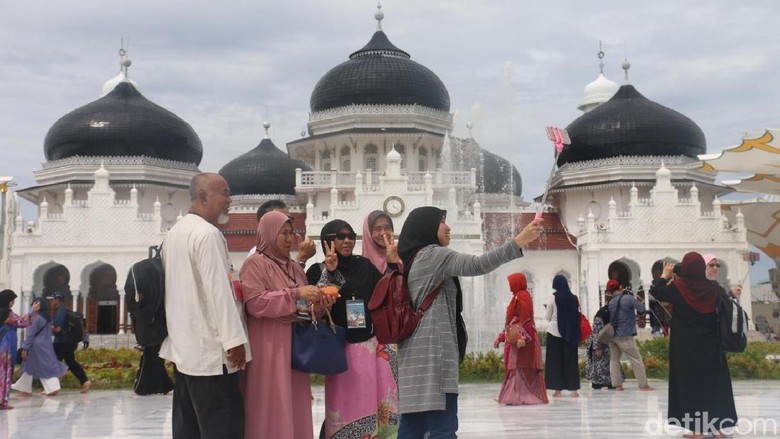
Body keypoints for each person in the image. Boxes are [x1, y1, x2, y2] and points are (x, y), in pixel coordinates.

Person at [396, 206, 543, 438]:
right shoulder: (433, 255)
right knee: (443, 430)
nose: (448, 226)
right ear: (426, 227)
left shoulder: (409, 260)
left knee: (412, 427)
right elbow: (477, 264)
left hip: (412, 361)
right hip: (435, 359)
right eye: (442, 221)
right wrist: (519, 241)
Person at [159, 173, 249, 439]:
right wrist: (234, 340)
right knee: (223, 427)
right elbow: (219, 292)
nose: (229, 201)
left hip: (185, 352)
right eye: (225, 193)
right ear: (203, 196)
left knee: (189, 430)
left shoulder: (174, 233)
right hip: (212, 355)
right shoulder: (207, 234)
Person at [239, 210, 330, 439]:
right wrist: (296, 293)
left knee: (294, 404)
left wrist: (319, 305)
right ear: (269, 233)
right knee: (269, 403)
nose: (290, 239)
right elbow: (255, 304)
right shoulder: (254, 264)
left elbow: (303, 311)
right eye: (283, 233)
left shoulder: (294, 268)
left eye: (292, 233)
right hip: (267, 347)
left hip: (295, 349)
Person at [307, 219, 401, 438]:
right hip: (341, 348)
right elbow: (318, 305)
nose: (347, 240)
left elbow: (386, 293)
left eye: (351, 236)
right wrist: (330, 272)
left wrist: (392, 264)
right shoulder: (317, 270)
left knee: (377, 402)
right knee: (347, 404)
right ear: (327, 241)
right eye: (340, 237)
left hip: (372, 346)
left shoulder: (364, 265)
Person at [651, 253, 737, 438]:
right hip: (711, 346)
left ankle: (697, 431)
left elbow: (656, 292)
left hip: (686, 348)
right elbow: (726, 302)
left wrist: (665, 275)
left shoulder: (678, 288)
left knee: (692, 386)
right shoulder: (713, 288)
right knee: (713, 385)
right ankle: (717, 430)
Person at [493, 273, 548, 405]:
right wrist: (501, 337)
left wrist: (522, 336)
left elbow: (526, 318)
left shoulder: (523, 296)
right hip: (517, 340)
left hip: (523, 341)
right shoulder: (517, 296)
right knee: (515, 367)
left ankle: (519, 396)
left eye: (511, 282)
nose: (509, 285)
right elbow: (511, 321)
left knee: (519, 367)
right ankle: (512, 395)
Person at [11, 297, 68, 397]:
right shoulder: (47, 318)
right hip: (46, 345)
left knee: (41, 366)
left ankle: (53, 387)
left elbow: (30, 334)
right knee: (30, 365)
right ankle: (25, 388)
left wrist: (25, 348)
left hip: (35, 346)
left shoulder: (34, 318)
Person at [607, 280, 653, 392]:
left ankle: (617, 385)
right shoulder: (628, 298)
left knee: (614, 360)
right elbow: (641, 309)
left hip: (613, 336)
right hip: (625, 335)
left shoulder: (611, 302)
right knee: (636, 359)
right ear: (621, 287)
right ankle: (643, 385)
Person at [247, 199, 316, 267]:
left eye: (289, 219)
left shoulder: (281, 254)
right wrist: (301, 258)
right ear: (265, 225)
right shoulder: (256, 259)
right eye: (280, 220)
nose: (287, 223)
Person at [544, 275, 581, 397]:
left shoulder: (552, 298)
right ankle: (574, 390)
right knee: (571, 360)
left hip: (554, 332)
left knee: (555, 361)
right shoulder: (574, 298)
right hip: (570, 332)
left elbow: (548, 317)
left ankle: (557, 390)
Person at [0, 290, 38, 409]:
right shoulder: (6, 313)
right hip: (5, 346)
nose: (13, 303)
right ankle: (2, 401)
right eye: (12, 301)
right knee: (5, 373)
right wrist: (33, 310)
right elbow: (23, 322)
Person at [50, 292, 91, 393]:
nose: (51, 301)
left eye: (52, 299)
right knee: (71, 363)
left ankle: (52, 387)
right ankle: (85, 381)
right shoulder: (67, 309)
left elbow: (58, 329)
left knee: (53, 363)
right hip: (70, 341)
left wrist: (46, 326)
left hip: (61, 341)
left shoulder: (60, 311)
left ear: (57, 300)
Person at [585, 281, 619, 390]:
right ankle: (601, 384)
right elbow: (596, 331)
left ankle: (612, 382)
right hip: (601, 344)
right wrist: (597, 347)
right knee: (600, 363)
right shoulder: (602, 313)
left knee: (611, 362)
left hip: (609, 344)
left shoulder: (613, 312)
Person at [361, 210, 399, 274]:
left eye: (387, 228)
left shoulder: (400, 261)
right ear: (368, 233)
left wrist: (393, 264)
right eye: (377, 229)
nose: (383, 233)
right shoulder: (360, 266)